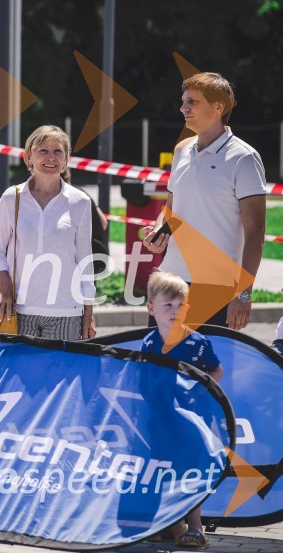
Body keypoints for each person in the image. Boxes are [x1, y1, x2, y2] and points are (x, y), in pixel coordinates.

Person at [143, 72, 266, 329]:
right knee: (158, 356)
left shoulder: (244, 158)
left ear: (218, 107)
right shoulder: (181, 150)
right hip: (169, 280)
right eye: (183, 101)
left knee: (208, 358)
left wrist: (244, 294)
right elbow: (171, 208)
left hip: (216, 288)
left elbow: (256, 233)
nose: (183, 108)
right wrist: (158, 230)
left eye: (192, 102)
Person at [0, 125, 96, 340]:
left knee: (61, 364)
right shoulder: (11, 198)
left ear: (66, 159)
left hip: (66, 311)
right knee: (19, 364)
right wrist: (4, 284)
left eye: (58, 151)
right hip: (18, 309)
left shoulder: (80, 202)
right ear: (29, 157)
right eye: (43, 150)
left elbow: (85, 260)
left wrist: (88, 313)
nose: (51, 157)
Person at [142, 271, 223, 547]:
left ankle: (196, 527)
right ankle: (171, 522)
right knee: (163, 468)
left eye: (181, 306)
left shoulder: (197, 344)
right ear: (151, 309)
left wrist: (197, 390)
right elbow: (145, 378)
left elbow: (217, 371)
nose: (175, 311)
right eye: (168, 305)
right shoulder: (149, 343)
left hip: (193, 420)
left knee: (190, 470)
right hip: (161, 419)